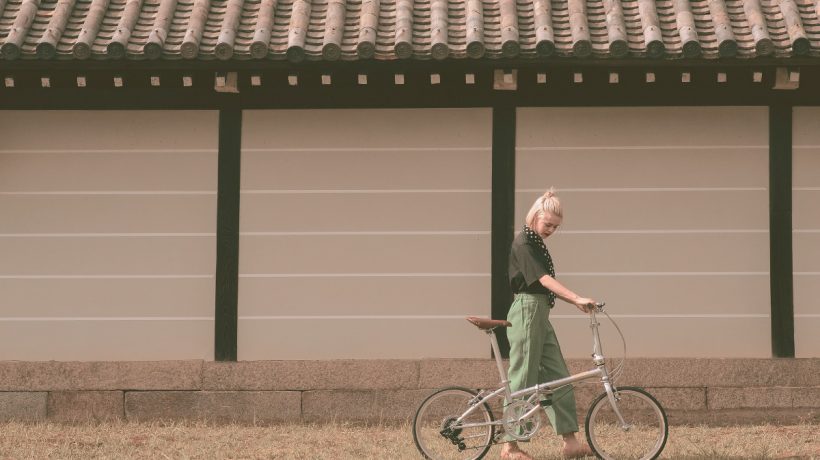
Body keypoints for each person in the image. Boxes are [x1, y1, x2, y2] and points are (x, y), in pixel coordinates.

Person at [500, 189, 596, 460]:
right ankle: (510, 446)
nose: (552, 229)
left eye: (556, 226)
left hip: (540, 311)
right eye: (548, 224)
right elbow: (543, 280)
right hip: (528, 309)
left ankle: (570, 442)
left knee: (559, 375)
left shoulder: (536, 242)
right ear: (535, 217)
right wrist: (575, 297)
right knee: (523, 377)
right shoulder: (524, 244)